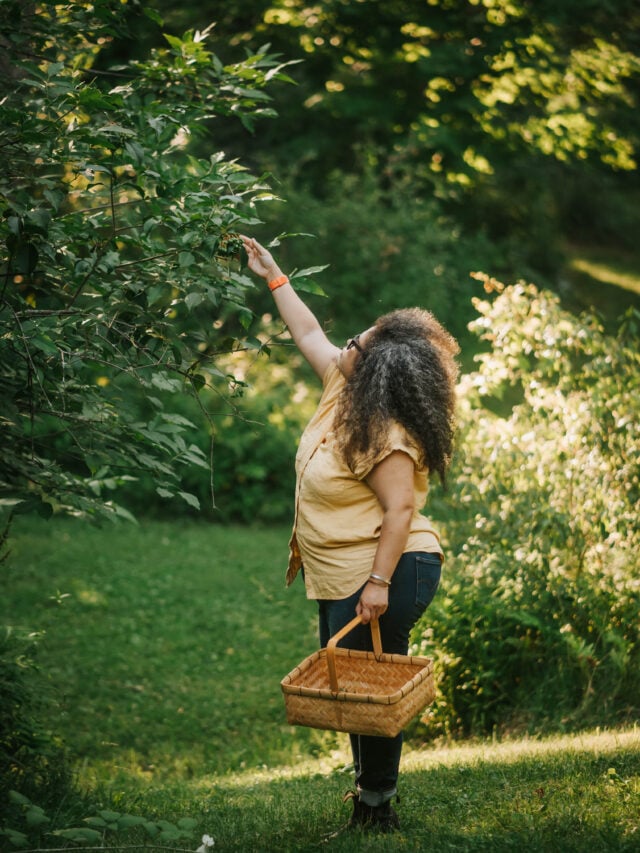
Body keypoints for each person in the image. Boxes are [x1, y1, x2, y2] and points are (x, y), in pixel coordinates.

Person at [241, 235, 459, 834]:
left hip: (388, 567)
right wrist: (274, 276)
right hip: (345, 569)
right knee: (352, 691)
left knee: (370, 690)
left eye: (358, 344)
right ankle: (367, 797)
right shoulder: (346, 389)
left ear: (379, 368)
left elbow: (400, 511)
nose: (348, 345)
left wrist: (378, 583)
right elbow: (310, 335)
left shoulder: (384, 432)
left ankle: (376, 807)